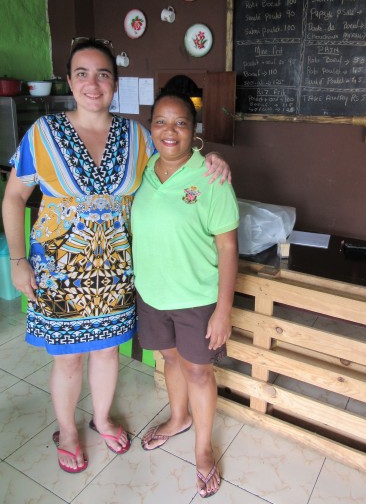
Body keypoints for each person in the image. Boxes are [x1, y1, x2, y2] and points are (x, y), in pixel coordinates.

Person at [2, 38, 230, 474]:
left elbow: (176, 157)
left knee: (107, 352)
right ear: (69, 80)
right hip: (58, 271)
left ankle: (102, 418)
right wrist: (17, 260)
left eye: (103, 74)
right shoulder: (43, 134)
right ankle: (68, 431)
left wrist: (211, 159)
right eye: (83, 73)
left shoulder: (137, 137)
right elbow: (14, 198)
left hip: (116, 271)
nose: (93, 83)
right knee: (67, 358)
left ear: (115, 84)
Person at [131, 93, 239, 498]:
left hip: (196, 298)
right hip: (152, 293)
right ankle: (178, 418)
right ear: (151, 128)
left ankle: (203, 448)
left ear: (194, 131)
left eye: (180, 122)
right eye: (160, 122)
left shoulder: (211, 177)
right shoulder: (141, 169)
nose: (169, 131)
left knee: (199, 370)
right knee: (170, 359)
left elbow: (228, 247)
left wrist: (223, 310)